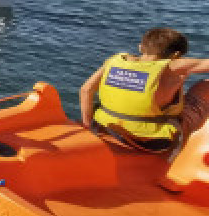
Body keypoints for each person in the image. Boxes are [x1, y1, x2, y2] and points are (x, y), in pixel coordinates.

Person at [80, 27, 209, 154]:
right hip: (152, 142)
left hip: (106, 130)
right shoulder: (172, 66)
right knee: (204, 85)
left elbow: (86, 90)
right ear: (176, 55)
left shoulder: (115, 61)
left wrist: (87, 126)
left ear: (140, 47)